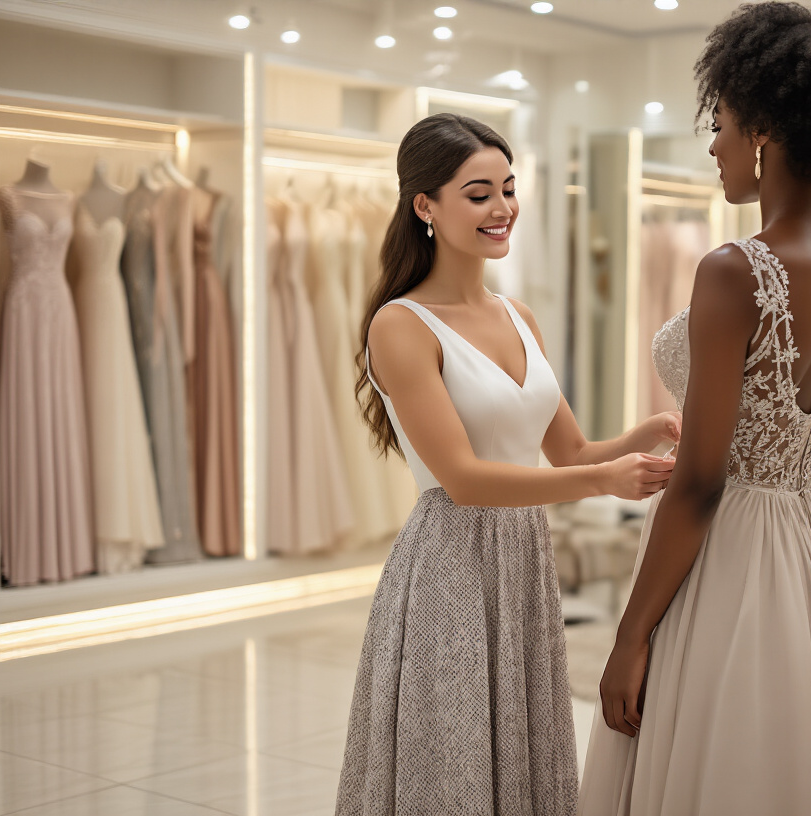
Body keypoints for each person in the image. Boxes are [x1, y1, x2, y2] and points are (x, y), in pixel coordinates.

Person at [578, 4, 811, 814]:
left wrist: (630, 638)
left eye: (722, 123)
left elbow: (700, 480)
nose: (713, 144)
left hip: (721, 550)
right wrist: (802, 575)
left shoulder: (737, 270)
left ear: (764, 130)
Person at [334, 113, 681, 816]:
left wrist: (641, 435)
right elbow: (463, 478)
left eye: (509, 189)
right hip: (450, 565)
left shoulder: (518, 314)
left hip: (523, 559)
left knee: (523, 749)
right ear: (424, 205)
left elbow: (571, 452)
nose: (503, 209)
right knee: (453, 760)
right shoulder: (400, 324)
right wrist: (599, 481)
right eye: (479, 193)